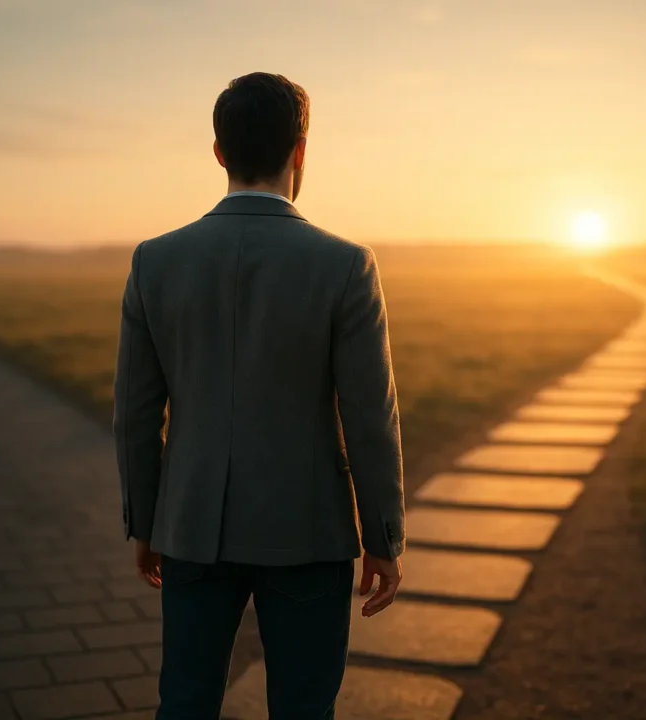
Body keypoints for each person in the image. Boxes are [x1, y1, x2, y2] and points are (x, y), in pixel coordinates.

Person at [113, 71, 405, 720]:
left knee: (185, 702)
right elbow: (370, 417)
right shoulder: (346, 264)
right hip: (308, 531)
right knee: (303, 708)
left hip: (190, 526)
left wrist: (145, 520)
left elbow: (134, 412)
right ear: (301, 150)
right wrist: (383, 534)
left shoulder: (154, 261)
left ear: (218, 152)